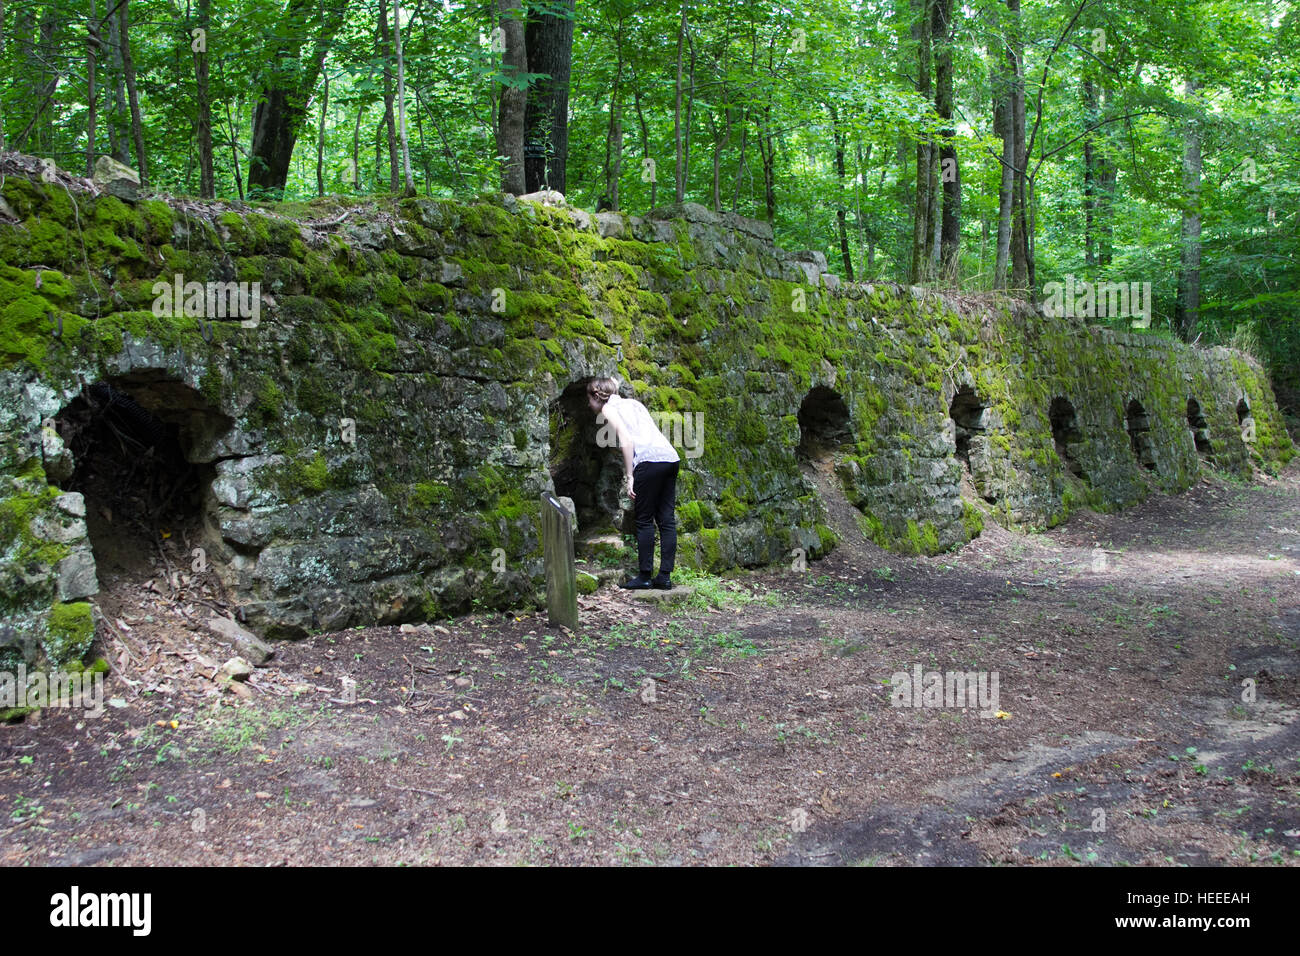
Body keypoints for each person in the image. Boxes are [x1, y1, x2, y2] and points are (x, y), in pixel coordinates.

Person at [586, 377, 681, 590]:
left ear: (595, 395)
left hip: (648, 461)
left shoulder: (608, 409)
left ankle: (645, 576)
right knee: (666, 519)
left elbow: (626, 440)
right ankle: (664, 576)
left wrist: (630, 476)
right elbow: (615, 393)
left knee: (644, 519)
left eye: (588, 399)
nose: (588, 405)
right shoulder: (633, 403)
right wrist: (614, 386)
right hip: (670, 458)